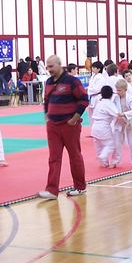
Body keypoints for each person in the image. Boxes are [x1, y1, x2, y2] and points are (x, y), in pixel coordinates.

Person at [39, 55, 88, 199]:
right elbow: (46, 101)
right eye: (47, 66)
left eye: (51, 66)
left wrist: (75, 118)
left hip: (69, 126)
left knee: (75, 156)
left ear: (60, 65)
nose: (49, 69)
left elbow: (84, 100)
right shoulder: (48, 82)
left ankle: (80, 187)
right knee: (54, 158)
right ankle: (52, 190)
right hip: (53, 126)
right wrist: (47, 116)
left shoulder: (72, 81)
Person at [112, 79, 132, 167]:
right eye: (117, 90)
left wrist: (124, 114)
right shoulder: (116, 98)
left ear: (125, 89)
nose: (118, 92)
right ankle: (115, 161)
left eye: (119, 90)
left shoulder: (131, 98)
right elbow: (113, 108)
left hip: (129, 122)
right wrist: (116, 114)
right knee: (117, 142)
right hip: (119, 122)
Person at [90, 85, 120, 167]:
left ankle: (104, 163)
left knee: (99, 146)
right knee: (110, 144)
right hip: (103, 126)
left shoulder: (99, 103)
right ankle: (103, 156)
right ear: (111, 95)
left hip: (94, 127)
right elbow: (117, 114)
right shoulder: (109, 104)